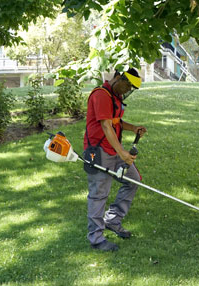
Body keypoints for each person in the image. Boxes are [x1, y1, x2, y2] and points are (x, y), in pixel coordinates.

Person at [83, 67, 146, 251]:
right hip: (99, 152)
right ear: (118, 78)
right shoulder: (101, 95)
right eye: (126, 85)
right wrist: (123, 153)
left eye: (130, 89)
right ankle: (96, 238)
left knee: (133, 180)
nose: (127, 90)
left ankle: (112, 219)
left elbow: (115, 122)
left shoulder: (115, 97)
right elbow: (105, 125)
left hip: (113, 149)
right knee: (98, 194)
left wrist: (133, 128)